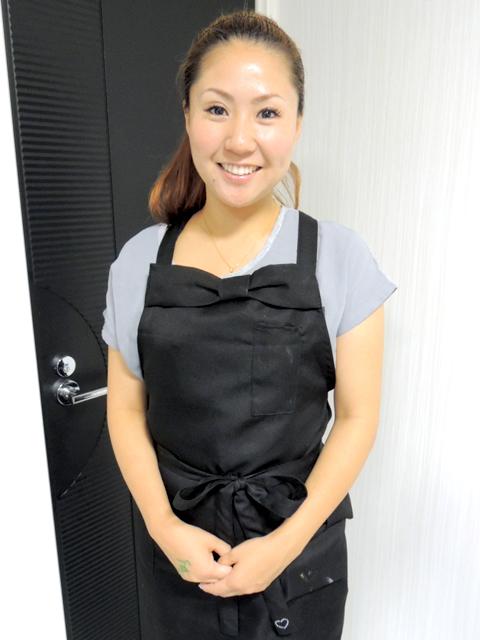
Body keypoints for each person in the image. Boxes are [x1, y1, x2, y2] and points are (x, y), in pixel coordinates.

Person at [102, 9, 397, 640]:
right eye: (217, 109)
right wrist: (163, 526)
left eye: (266, 113)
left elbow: (357, 418)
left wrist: (285, 544)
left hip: (300, 555)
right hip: (182, 553)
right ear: (187, 115)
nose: (240, 140)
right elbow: (125, 409)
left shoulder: (342, 258)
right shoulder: (136, 263)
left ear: (296, 125)